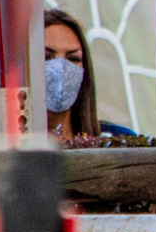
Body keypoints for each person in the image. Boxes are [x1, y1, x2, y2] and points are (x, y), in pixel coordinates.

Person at [44, 8, 133, 141]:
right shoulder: (12, 147)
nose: (61, 68)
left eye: (73, 59)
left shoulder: (118, 140)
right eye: (46, 57)